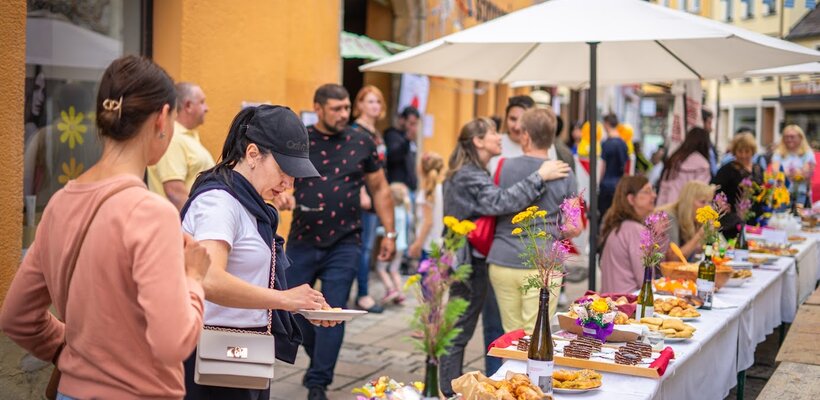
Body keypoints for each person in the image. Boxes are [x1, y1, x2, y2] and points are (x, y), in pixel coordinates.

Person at [0, 55, 210, 399]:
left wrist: (71, 354)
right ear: (162, 118)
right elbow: (174, 343)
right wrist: (195, 279)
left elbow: (16, 318)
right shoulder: (151, 212)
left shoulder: (60, 204)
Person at [180, 105, 337, 399]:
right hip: (211, 357)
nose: (289, 184)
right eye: (284, 170)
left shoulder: (247, 202)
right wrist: (284, 300)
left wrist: (303, 305)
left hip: (241, 354)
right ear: (253, 154)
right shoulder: (219, 203)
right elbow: (209, 279)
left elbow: (250, 278)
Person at [276, 84, 396, 400]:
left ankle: (318, 383)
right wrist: (283, 193)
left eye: (346, 107)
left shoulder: (362, 141)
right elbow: (278, 178)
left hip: (345, 242)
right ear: (319, 108)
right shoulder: (299, 140)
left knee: (332, 312)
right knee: (289, 310)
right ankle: (319, 362)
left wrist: (390, 233)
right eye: (337, 108)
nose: (345, 114)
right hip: (302, 239)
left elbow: (381, 188)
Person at [439, 117, 570, 396]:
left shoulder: (475, 170)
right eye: (493, 133)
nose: (500, 137)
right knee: (458, 330)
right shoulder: (468, 175)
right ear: (477, 141)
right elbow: (501, 202)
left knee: (462, 328)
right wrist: (540, 176)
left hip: (470, 257)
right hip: (466, 262)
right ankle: (447, 391)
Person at [487, 108, 580, 333]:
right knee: (536, 335)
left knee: (510, 335)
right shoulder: (565, 173)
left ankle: (510, 368)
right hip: (543, 263)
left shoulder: (503, 166)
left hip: (503, 259)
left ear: (525, 135)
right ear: (551, 138)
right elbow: (573, 227)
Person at [147, 82, 214, 210]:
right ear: (188, 106)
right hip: (182, 226)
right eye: (202, 102)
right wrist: (199, 224)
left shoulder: (187, 137)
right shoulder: (173, 139)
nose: (207, 108)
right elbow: (174, 192)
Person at [351, 85, 388, 313]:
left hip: (377, 199)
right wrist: (362, 193)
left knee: (367, 246)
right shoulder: (356, 131)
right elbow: (353, 166)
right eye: (370, 101)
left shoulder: (376, 133)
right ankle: (362, 295)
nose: (375, 106)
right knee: (363, 248)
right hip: (362, 198)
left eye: (378, 101)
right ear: (360, 105)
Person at [600, 176, 658, 293]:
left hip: (613, 302)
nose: (654, 196)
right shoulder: (636, 230)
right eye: (647, 191)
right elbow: (645, 280)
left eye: (653, 190)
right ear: (631, 199)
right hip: (629, 303)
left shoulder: (618, 227)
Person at [712, 133, 765, 238]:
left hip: (755, 218)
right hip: (733, 221)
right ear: (734, 152)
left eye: (747, 151)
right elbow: (715, 188)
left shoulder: (758, 168)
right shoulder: (727, 169)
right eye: (740, 151)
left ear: (752, 151)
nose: (743, 155)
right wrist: (721, 203)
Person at [657, 181, 715, 262]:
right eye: (702, 202)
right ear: (689, 202)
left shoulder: (695, 219)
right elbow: (673, 259)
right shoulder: (669, 217)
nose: (708, 207)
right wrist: (699, 235)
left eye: (709, 202)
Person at [656, 127, 712, 206]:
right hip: (688, 211)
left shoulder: (673, 160)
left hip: (668, 208)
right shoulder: (703, 165)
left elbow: (663, 189)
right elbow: (700, 193)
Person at [377, 183, 411, 305]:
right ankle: (400, 294)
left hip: (394, 244)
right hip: (402, 245)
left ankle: (390, 289)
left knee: (381, 268)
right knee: (394, 270)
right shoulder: (404, 210)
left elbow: (390, 230)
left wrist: (378, 231)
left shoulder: (392, 213)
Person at [408, 152, 445, 261]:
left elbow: (428, 222)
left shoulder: (427, 192)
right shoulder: (443, 190)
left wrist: (417, 244)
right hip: (441, 244)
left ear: (420, 170)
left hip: (428, 245)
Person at [771, 124, 816, 206]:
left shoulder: (808, 153)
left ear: (800, 137)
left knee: (799, 217)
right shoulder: (778, 153)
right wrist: (796, 172)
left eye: (792, 137)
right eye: (786, 137)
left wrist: (785, 172)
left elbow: (807, 173)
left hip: (800, 193)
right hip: (781, 194)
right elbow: (775, 172)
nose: (789, 139)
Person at [598, 114, 629, 222]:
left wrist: (598, 182)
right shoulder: (623, 144)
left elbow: (603, 166)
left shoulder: (606, 144)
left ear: (606, 124)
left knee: (604, 215)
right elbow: (625, 166)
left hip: (606, 185)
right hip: (619, 185)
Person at [384, 106, 420, 193]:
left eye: (415, 124)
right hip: (397, 190)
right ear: (402, 120)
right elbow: (393, 156)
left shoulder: (411, 140)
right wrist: (407, 141)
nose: (414, 128)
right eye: (411, 124)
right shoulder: (392, 135)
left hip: (410, 189)